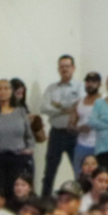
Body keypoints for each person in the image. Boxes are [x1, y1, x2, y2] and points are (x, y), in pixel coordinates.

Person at [40, 55, 84, 196]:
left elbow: (80, 105)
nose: (64, 69)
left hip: (74, 133)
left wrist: (58, 105)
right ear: (58, 69)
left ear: (73, 68)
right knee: (49, 171)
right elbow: (44, 108)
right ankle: (44, 202)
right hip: (56, 134)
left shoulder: (81, 87)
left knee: (79, 170)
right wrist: (65, 109)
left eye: (67, 66)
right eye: (62, 66)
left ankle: (81, 201)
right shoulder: (51, 88)